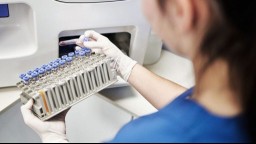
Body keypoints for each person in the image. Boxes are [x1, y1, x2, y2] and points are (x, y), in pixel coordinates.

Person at [21, 0, 255, 142]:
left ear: (182, 11)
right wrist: (125, 65)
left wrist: (54, 138)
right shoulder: (234, 93)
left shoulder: (148, 137)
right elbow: (194, 105)